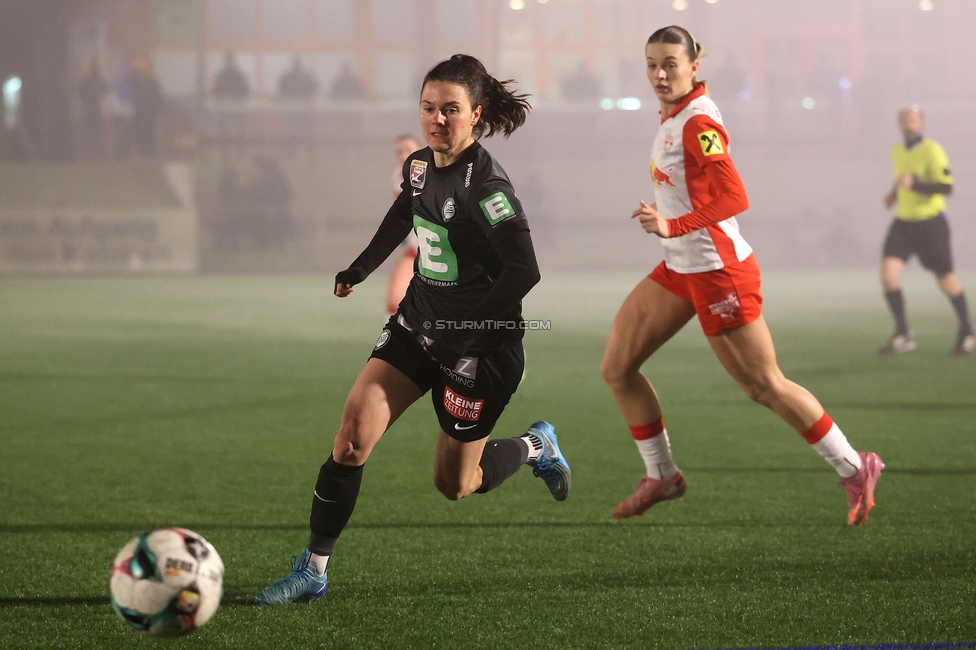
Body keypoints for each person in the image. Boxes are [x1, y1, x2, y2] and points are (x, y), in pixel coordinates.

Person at [255, 54, 572, 606]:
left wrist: (464, 334)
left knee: (455, 485)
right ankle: (313, 570)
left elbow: (526, 269)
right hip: (416, 322)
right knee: (352, 438)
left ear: (475, 114)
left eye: (451, 109)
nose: (437, 119)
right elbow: (404, 211)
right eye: (429, 108)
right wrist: (360, 266)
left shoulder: (488, 186)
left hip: (480, 349)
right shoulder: (420, 165)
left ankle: (533, 445)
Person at [600, 26, 883, 527]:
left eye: (670, 63)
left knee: (763, 386)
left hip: (717, 272)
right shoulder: (672, 116)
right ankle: (662, 474)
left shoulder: (697, 122)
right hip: (679, 267)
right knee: (618, 368)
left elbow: (734, 198)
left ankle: (855, 465)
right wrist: (669, 217)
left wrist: (673, 223)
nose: (660, 74)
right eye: (651, 64)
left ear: (694, 65)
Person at [878, 105, 974, 356]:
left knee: (945, 279)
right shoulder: (896, 151)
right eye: (904, 120)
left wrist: (916, 184)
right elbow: (902, 182)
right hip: (903, 223)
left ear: (921, 122)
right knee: (888, 277)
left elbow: (946, 187)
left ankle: (966, 330)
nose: (908, 124)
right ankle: (904, 333)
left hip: (931, 222)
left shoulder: (933, 149)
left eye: (913, 119)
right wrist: (893, 194)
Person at [385, 134, 422, 314]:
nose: (404, 155)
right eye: (400, 151)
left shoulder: (433, 173)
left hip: (438, 253)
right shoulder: (397, 175)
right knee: (395, 296)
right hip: (415, 250)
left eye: (408, 150)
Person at [129, 58, 163, 159]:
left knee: (149, 133)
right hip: (139, 113)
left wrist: (156, 110)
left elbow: (158, 98)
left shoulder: (152, 82)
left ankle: (150, 154)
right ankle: (143, 153)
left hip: (149, 113)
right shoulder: (134, 81)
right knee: (141, 134)